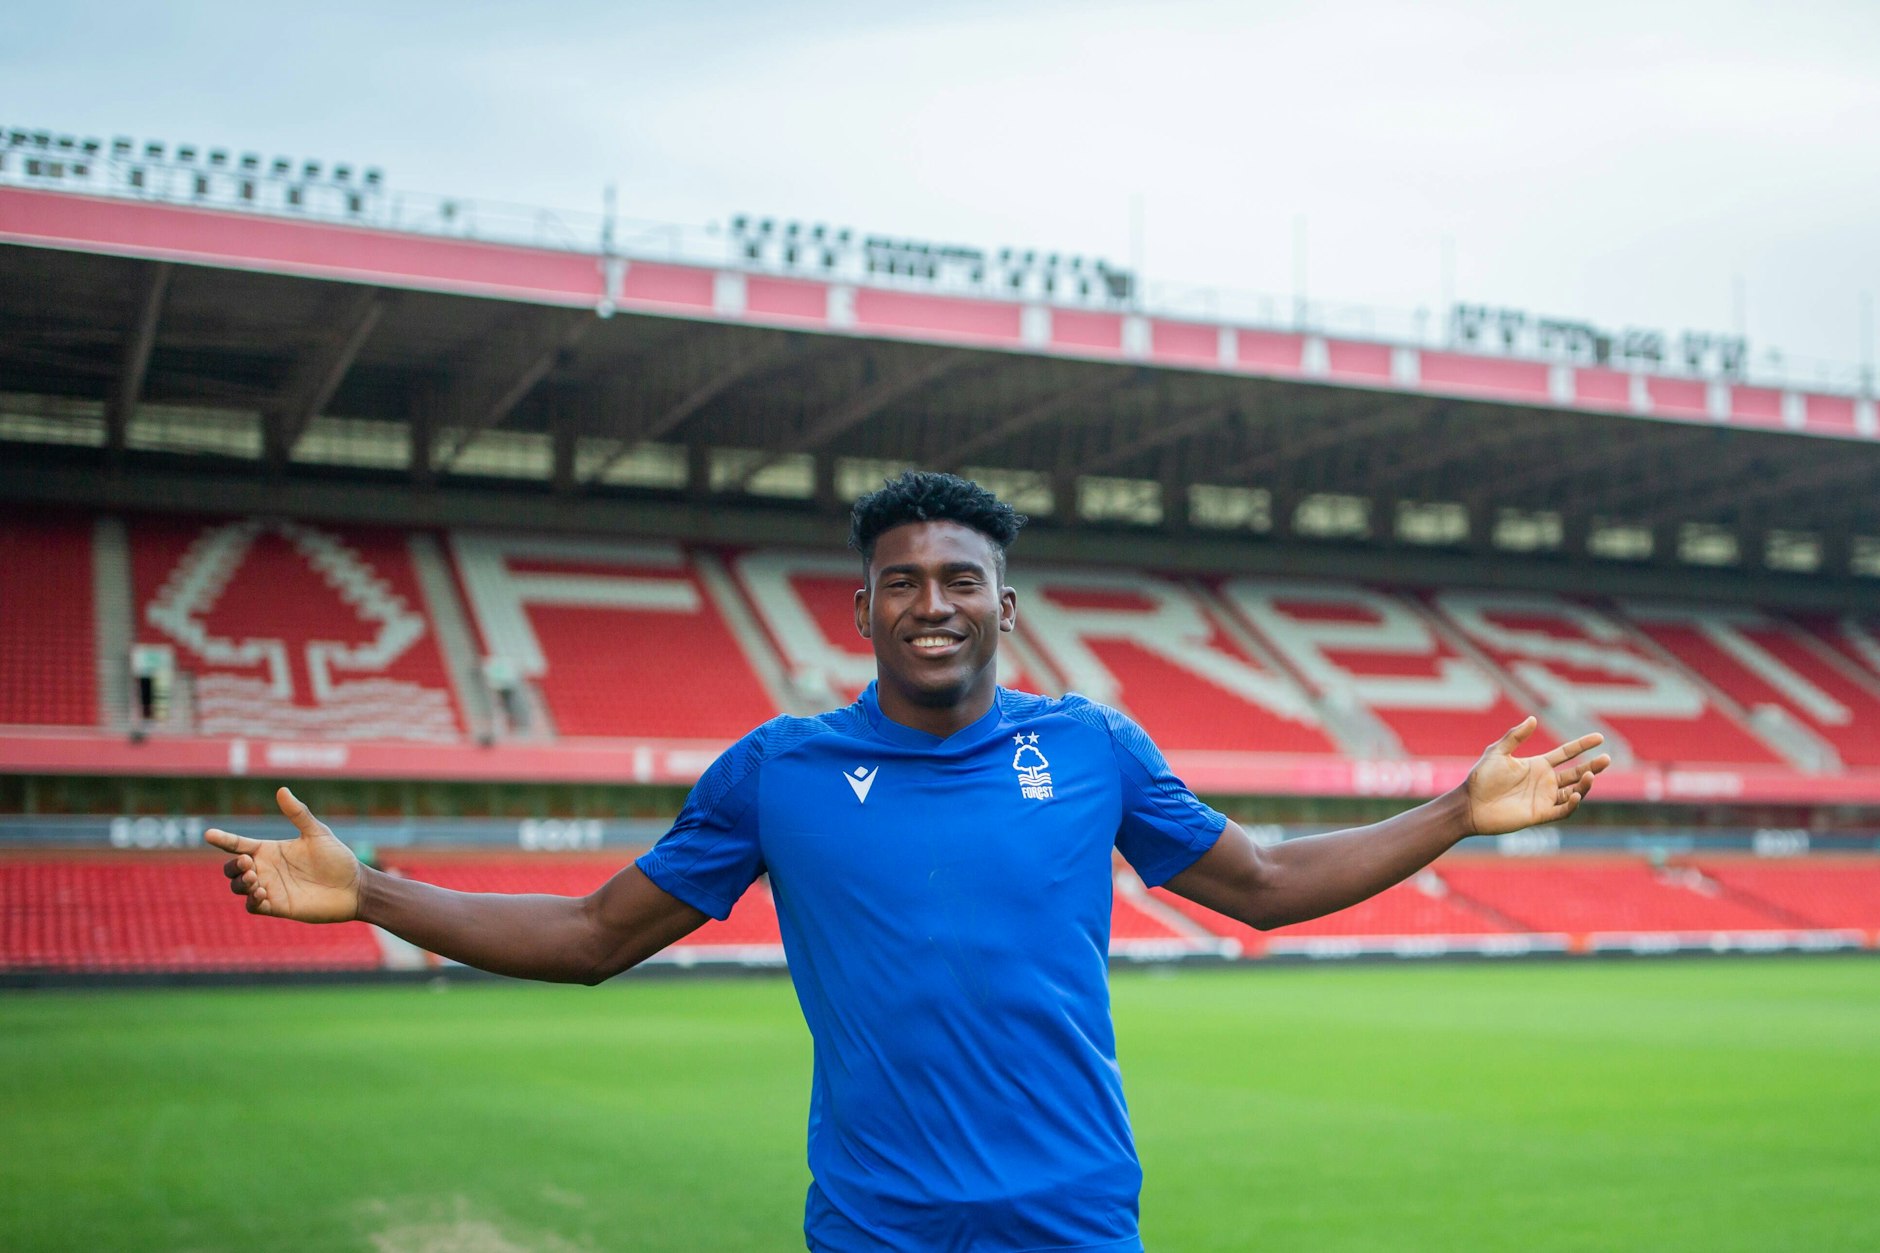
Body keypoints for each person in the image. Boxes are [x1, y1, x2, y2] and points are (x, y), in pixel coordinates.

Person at [209, 471, 1609, 1252]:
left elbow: (1264, 880)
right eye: (901, 580)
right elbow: (589, 934)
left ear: (1002, 601)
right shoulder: (777, 771)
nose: (930, 602)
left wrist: (1450, 814)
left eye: (957, 580)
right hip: (878, 1222)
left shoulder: (1096, 747)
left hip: (1071, 1209)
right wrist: (377, 891)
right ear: (863, 604)